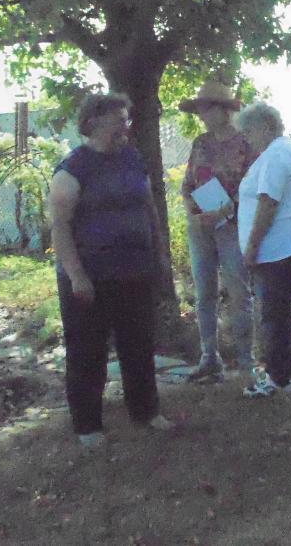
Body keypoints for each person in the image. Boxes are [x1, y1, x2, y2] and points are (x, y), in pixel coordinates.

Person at [49, 93, 172, 448]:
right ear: (93, 123)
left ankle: (146, 412)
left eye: (126, 120)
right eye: (119, 120)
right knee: (87, 352)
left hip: (135, 270)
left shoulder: (133, 159)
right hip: (91, 277)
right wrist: (77, 276)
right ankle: (88, 427)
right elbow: (60, 226)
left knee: (139, 346)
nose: (125, 127)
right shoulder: (73, 169)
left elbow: (149, 209)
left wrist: (159, 254)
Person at [235, 102, 291, 398]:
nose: (246, 138)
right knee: (280, 313)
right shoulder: (281, 151)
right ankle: (287, 372)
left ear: (265, 127)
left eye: (248, 131)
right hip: (282, 246)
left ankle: (277, 377)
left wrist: (252, 245)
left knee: (272, 315)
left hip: (276, 248)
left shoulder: (277, 154)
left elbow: (268, 203)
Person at [179, 81, 257, 383]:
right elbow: (188, 184)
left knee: (238, 292)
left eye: (206, 108)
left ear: (224, 110)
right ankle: (209, 358)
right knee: (204, 294)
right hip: (201, 228)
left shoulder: (246, 144)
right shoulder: (200, 143)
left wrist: (223, 212)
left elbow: (252, 187)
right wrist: (193, 210)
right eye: (199, 109)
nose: (201, 114)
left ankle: (246, 361)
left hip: (232, 228)